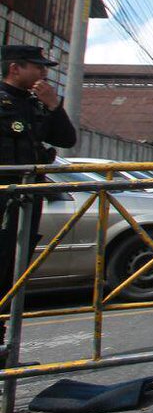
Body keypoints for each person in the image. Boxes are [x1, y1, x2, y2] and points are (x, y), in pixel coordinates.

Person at [0, 45, 77, 361]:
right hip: (4, 200)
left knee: (10, 276)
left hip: (25, 203)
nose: (44, 73)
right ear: (15, 68)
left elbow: (67, 139)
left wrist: (53, 104)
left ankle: (4, 348)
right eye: (37, 67)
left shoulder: (35, 104)